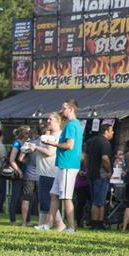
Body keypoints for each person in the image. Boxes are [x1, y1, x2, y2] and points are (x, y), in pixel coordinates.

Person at [40, 100, 84, 233]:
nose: (61, 110)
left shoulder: (71, 125)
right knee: (54, 194)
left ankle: (71, 227)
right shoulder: (74, 124)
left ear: (71, 109)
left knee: (66, 197)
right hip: (63, 164)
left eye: (63, 108)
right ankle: (47, 225)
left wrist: (52, 143)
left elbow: (69, 145)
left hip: (68, 165)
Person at [33, 114, 61, 230]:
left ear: (57, 121)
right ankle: (42, 224)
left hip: (50, 171)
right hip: (45, 171)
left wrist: (36, 148)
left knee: (47, 200)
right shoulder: (51, 135)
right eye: (47, 119)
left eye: (50, 119)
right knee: (44, 200)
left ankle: (59, 224)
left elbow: (50, 152)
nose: (48, 121)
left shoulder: (56, 136)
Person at [85, 124, 114, 230]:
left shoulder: (91, 141)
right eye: (111, 130)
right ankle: (95, 223)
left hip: (91, 173)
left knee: (97, 199)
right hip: (101, 174)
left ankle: (99, 222)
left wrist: (88, 168)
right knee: (99, 201)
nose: (113, 133)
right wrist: (109, 171)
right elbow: (105, 158)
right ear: (106, 131)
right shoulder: (105, 143)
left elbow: (85, 156)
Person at [17, 129, 41, 227]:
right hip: (41, 175)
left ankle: (24, 222)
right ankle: (41, 222)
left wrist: (27, 161)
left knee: (26, 199)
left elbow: (20, 158)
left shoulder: (29, 143)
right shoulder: (43, 143)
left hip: (29, 175)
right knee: (41, 200)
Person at [8, 126, 30, 225]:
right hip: (18, 173)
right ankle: (12, 219)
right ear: (24, 134)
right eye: (28, 133)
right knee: (15, 196)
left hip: (27, 173)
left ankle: (27, 220)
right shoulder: (17, 143)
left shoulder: (28, 143)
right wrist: (19, 171)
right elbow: (12, 160)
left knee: (26, 197)